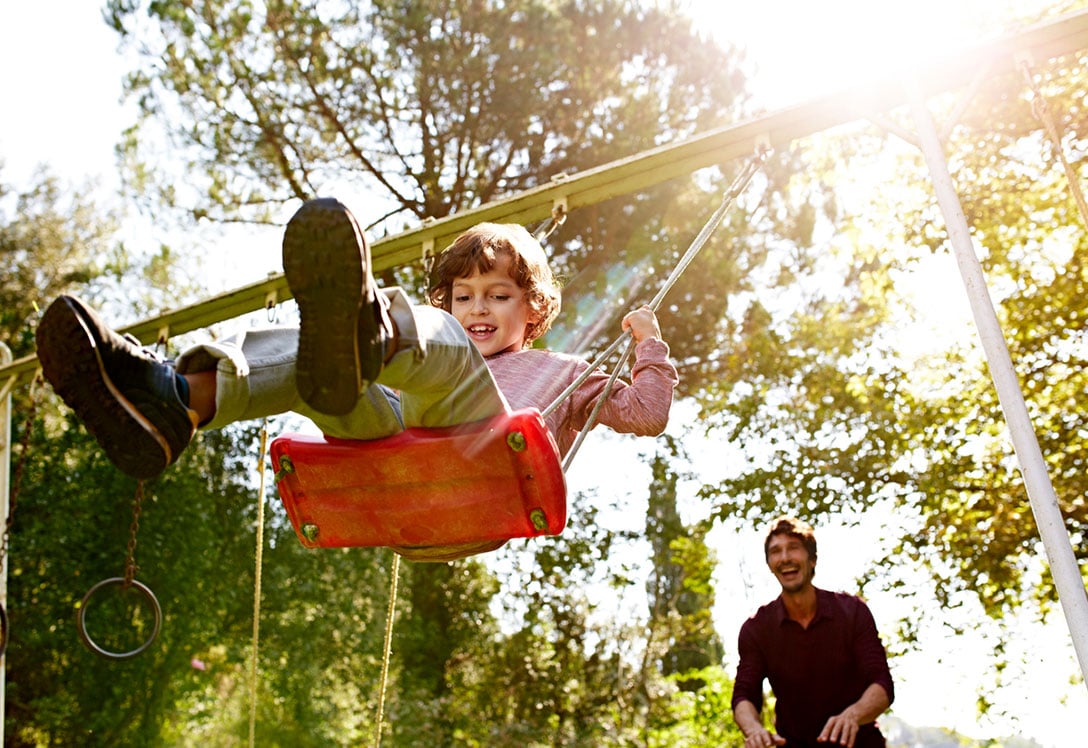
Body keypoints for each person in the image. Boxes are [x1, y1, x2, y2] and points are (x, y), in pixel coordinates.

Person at [34, 197, 678, 561]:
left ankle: (367, 331)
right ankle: (178, 400)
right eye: (463, 296)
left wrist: (649, 346)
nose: (478, 308)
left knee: (437, 351)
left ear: (534, 310)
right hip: (399, 483)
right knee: (315, 366)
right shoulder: (436, 351)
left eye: (498, 295)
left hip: (482, 487)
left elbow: (646, 415)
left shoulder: (564, 373)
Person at [731, 516, 895, 747]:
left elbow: (881, 683)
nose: (785, 557)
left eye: (793, 548)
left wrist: (853, 715)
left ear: (812, 559)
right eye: (776, 551)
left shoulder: (852, 612)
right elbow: (744, 694)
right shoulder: (756, 629)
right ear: (769, 564)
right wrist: (754, 730)